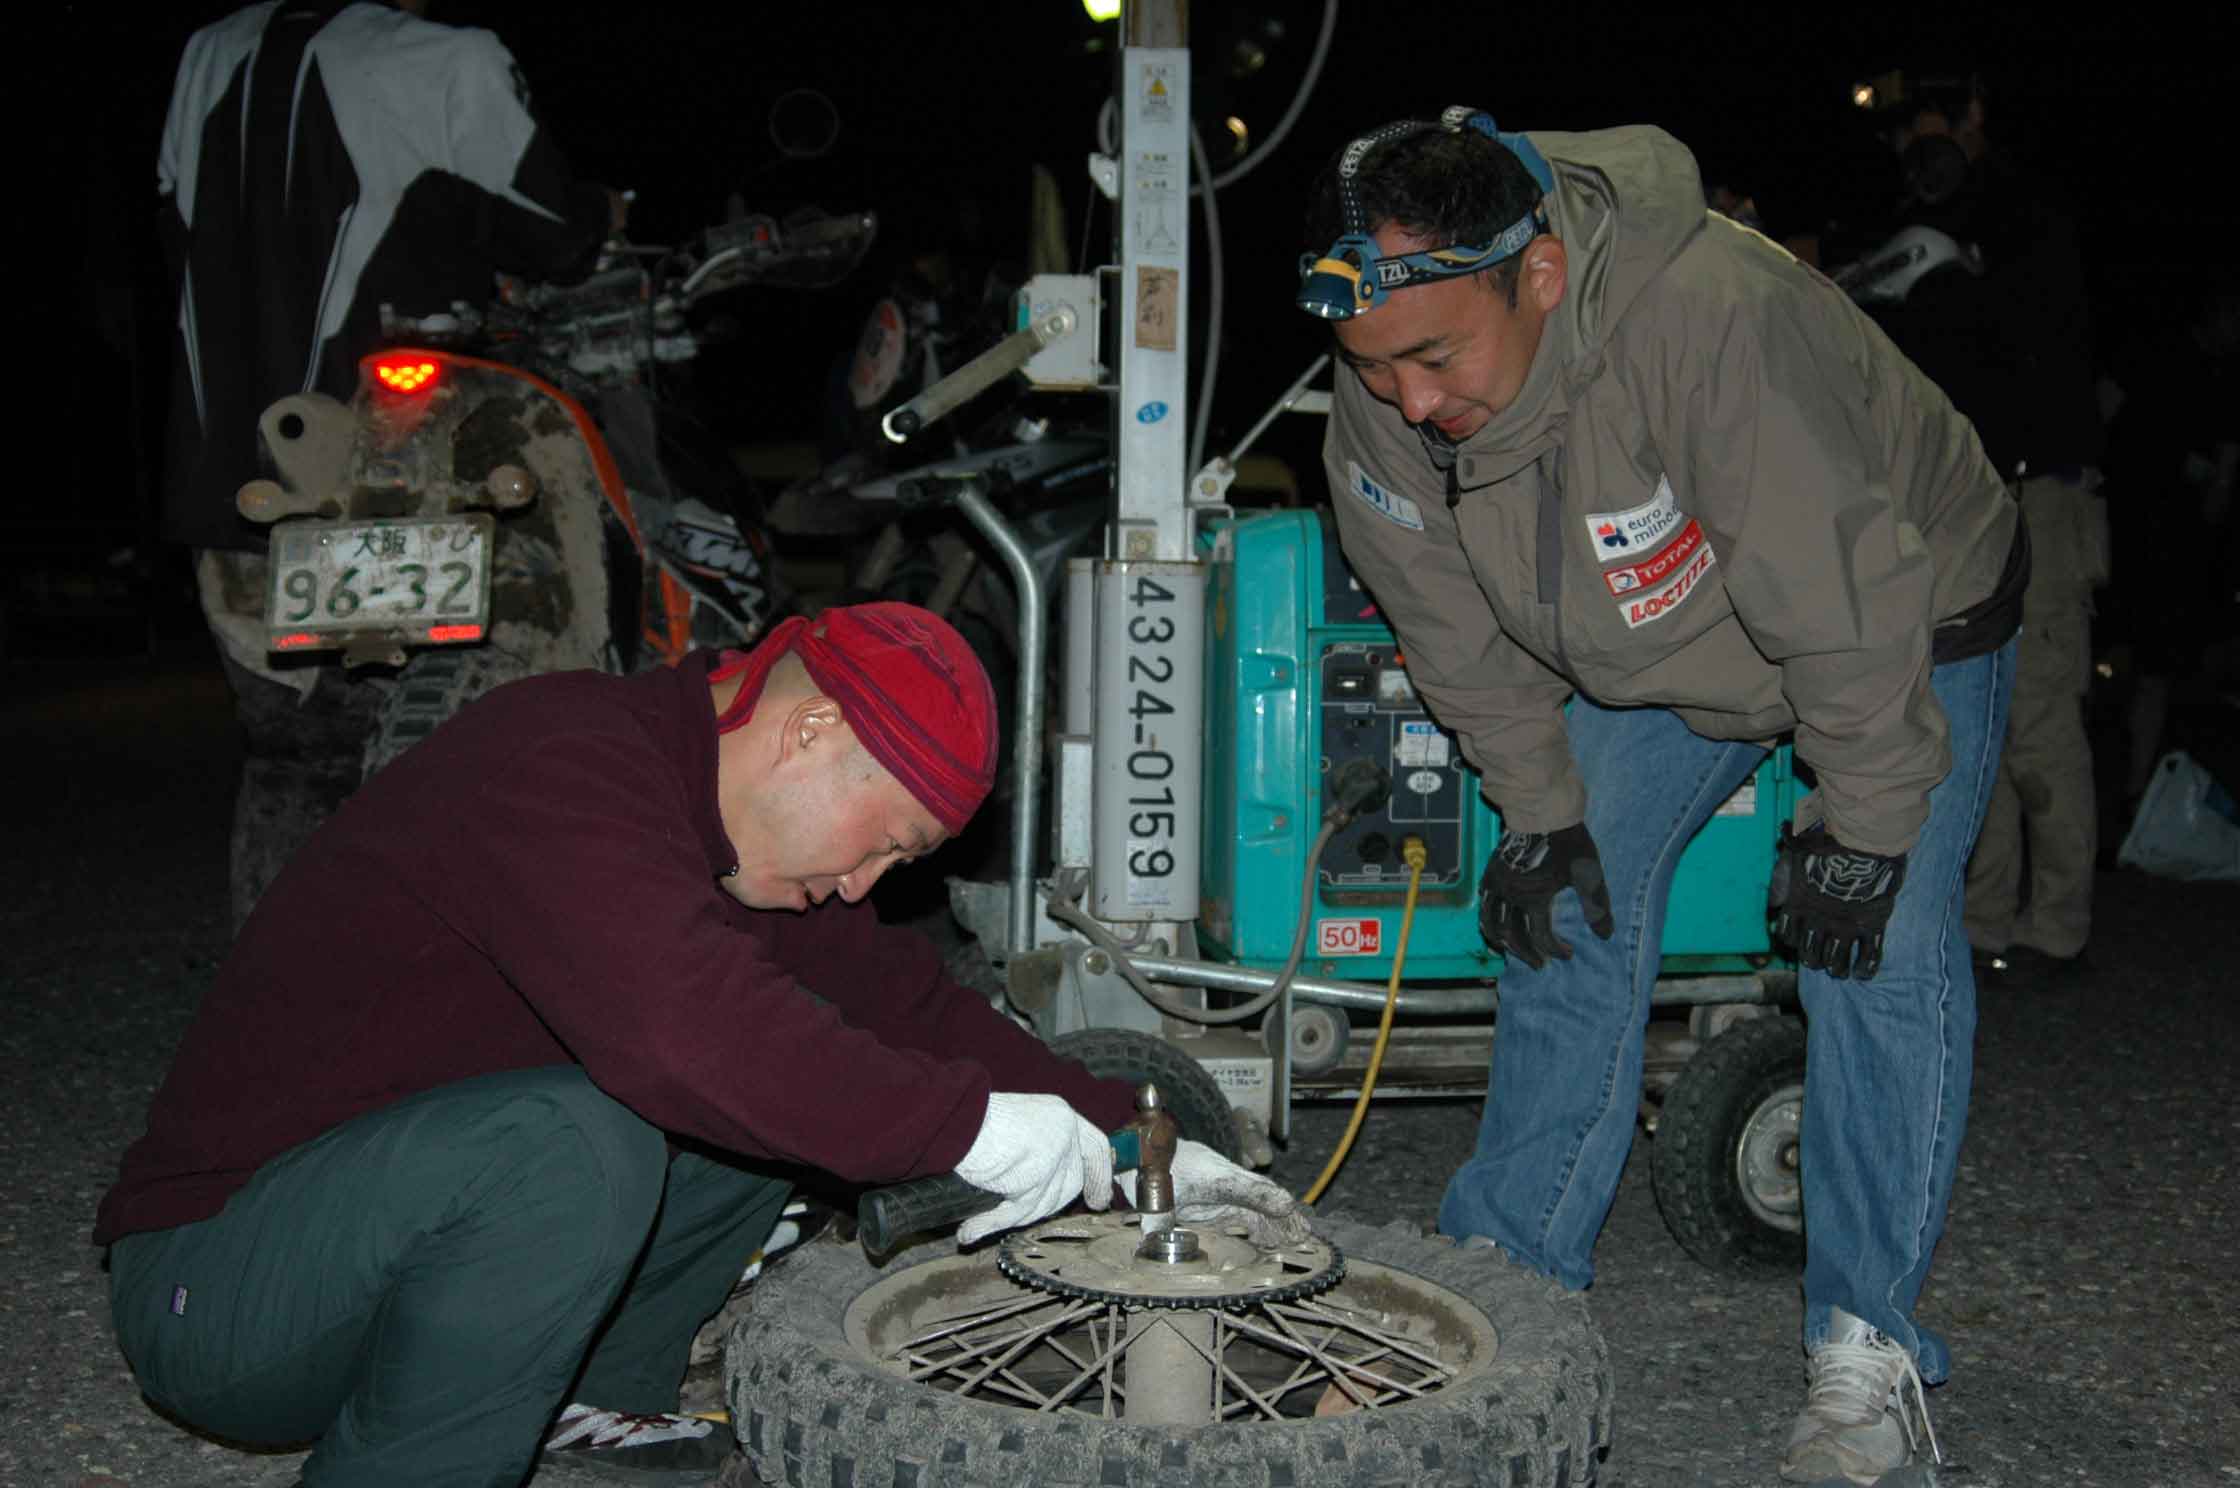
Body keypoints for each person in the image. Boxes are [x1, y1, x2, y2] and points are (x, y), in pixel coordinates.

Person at [94, 602, 1305, 1486]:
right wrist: (972, 1133)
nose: (860, 886)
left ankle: (588, 1398)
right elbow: (680, 1041)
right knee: (597, 1131)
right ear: (809, 729)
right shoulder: (563, 762)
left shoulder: (748, 851)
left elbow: (919, 1019)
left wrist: (1124, 1131)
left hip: (391, 1240)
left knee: (793, 1078)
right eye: (880, 842)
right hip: (224, 1289)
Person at [1298, 110, 2024, 1484]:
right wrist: (1539, 800)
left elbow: (1839, 589)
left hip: (1901, 605)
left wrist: (1864, 824)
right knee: (1565, 900)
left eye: (1434, 358)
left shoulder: (1712, 318)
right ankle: (1503, 1287)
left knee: (1881, 952)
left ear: (1544, 275)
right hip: (1678, 639)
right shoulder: (1393, 398)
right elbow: (1450, 629)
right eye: (1371, 367)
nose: (1403, 401)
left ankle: (1867, 1356)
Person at [158, 0, 624, 935]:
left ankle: (281, 997)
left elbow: (176, 211)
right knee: (534, 726)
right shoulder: (447, 57)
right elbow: (556, 233)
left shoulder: (206, 53)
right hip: (437, 441)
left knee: (288, 753)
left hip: (248, 472)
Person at [1875, 71, 2108, 982]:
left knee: (2040, 716)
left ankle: (2059, 927)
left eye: (1924, 126)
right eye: (1898, 135)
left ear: (1972, 115)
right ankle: (1984, 922)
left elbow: (2026, 344)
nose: (1910, 146)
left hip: (2039, 492)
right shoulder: (1917, 216)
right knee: (1976, 709)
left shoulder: (2021, 214)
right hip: (1964, 504)